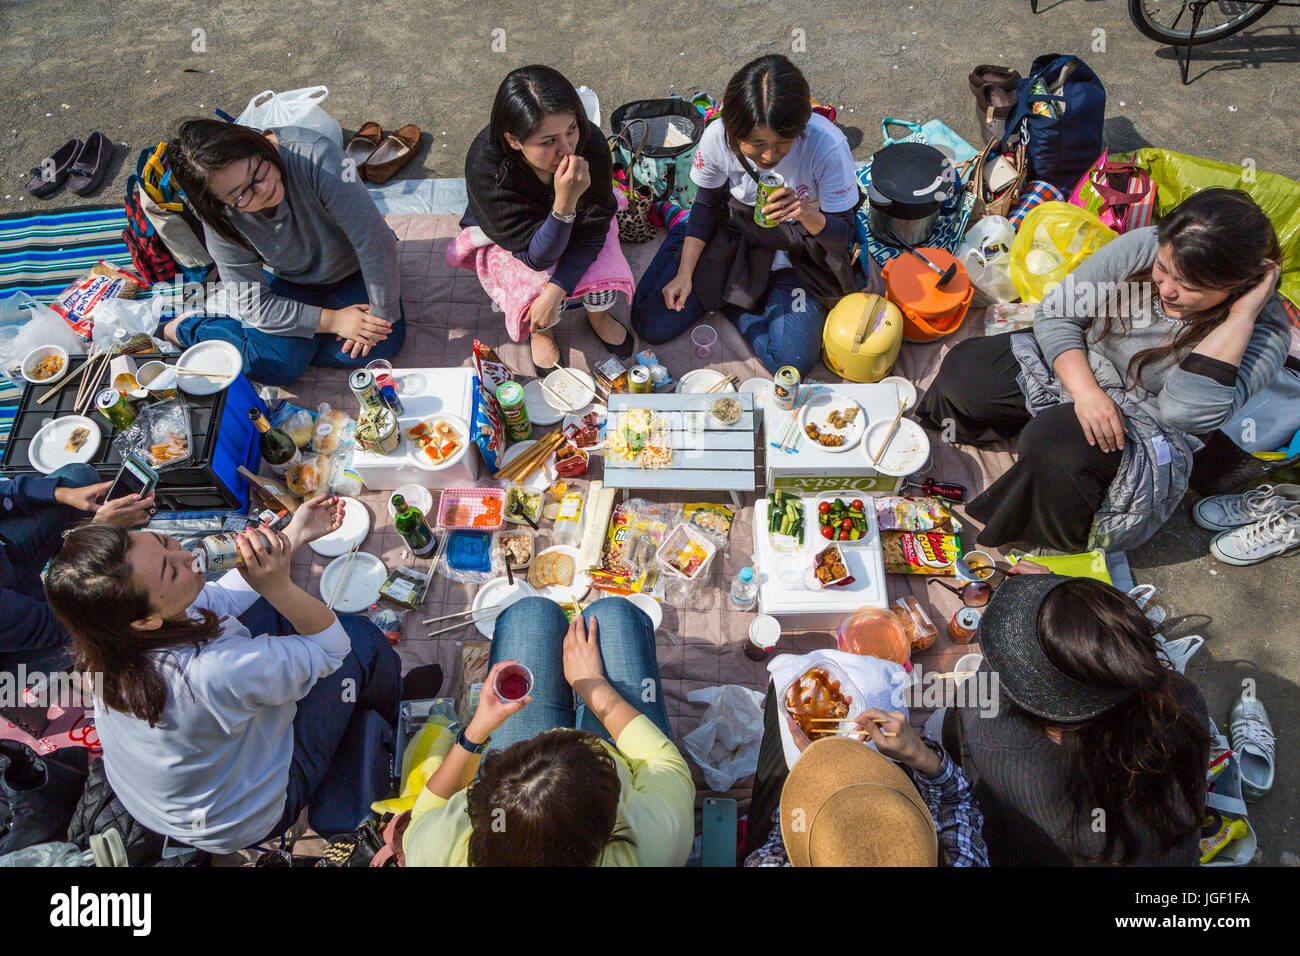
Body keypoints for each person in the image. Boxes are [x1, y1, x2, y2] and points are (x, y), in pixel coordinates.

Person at [918, 188, 1291, 554]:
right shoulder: (1148, 244)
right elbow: (1058, 312)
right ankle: (1008, 430)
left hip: (1146, 427)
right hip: (1085, 367)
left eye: (1189, 286)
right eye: (1163, 269)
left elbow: (1184, 414)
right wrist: (1086, 393)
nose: (1167, 289)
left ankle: (1049, 524)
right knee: (966, 371)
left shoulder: (1261, 333)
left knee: (1054, 445)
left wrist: (1240, 318)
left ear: (1237, 286)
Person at [42, 495, 402, 855]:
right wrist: (280, 588)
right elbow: (332, 648)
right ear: (146, 621)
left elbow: (219, 599)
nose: (187, 557)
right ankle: (394, 724)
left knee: (260, 608)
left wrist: (297, 532)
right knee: (361, 641)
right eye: (171, 570)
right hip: (243, 815)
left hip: (173, 802)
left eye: (167, 542)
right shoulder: (208, 672)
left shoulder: (107, 644)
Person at [944, 569, 1210, 866]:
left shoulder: (1006, 748)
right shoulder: (1182, 698)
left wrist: (1028, 608)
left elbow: (988, 682)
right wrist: (1063, 601)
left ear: (1052, 718)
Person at [402, 598, 694, 866]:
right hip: (619, 749)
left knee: (530, 612)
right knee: (613, 614)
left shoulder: (434, 852)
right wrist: (592, 684)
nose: (555, 730)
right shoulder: (655, 846)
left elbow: (428, 809)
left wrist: (476, 731)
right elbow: (660, 758)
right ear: (606, 827)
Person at [632, 54, 862, 376]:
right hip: (734, 235)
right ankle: (725, 287)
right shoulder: (717, 137)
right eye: (757, 144)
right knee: (652, 323)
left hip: (797, 254)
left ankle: (733, 300)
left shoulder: (827, 146)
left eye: (783, 143)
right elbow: (706, 206)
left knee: (791, 362)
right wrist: (685, 273)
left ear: (800, 128)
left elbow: (843, 235)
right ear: (734, 130)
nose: (769, 156)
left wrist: (806, 213)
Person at [160, 119, 406, 387]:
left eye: (258, 170)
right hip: (292, 280)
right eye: (242, 194)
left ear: (256, 145)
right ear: (218, 203)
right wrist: (333, 320)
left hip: (353, 268)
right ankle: (191, 327)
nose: (264, 189)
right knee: (274, 367)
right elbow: (252, 302)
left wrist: (377, 320)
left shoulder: (317, 156)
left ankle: (282, 345)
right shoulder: (219, 217)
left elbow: (375, 243)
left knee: (383, 344)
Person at [456, 65, 634, 371]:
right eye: (548, 141)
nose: (567, 150)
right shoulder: (487, 169)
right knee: (533, 292)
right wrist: (564, 204)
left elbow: (593, 231)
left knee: (601, 274)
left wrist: (557, 289)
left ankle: (597, 314)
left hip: (575, 225)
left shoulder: (590, 146)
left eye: (571, 130)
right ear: (514, 140)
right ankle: (541, 331)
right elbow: (536, 257)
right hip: (519, 242)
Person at [743, 690, 987, 867]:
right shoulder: (964, 862)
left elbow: (775, 848)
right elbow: (957, 803)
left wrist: (811, 776)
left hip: (808, 822)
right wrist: (919, 755)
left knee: (778, 707)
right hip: (884, 797)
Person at [1, 464, 154, 696]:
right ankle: (84, 663)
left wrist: (63, 494)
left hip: (9, 564)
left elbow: (7, 492)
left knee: (77, 478)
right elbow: (57, 622)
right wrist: (97, 533)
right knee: (108, 616)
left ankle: (73, 561)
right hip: (20, 638)